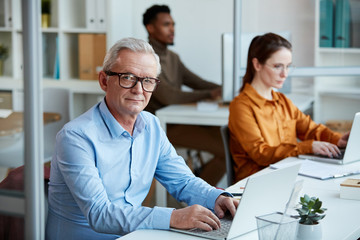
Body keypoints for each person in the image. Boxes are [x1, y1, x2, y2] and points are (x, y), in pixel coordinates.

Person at [45, 38, 238, 239]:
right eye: (128, 77)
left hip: (134, 234)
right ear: (104, 80)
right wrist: (173, 217)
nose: (139, 90)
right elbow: (100, 214)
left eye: (148, 81)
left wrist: (217, 197)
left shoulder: (151, 125)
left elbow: (182, 180)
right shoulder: (75, 137)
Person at [228, 32, 350, 182]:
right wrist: (309, 147)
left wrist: (338, 140)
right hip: (258, 182)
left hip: (287, 175)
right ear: (257, 64)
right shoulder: (241, 106)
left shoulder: (282, 100)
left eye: (288, 67)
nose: (284, 74)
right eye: (278, 66)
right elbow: (261, 154)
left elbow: (310, 129)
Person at [142, 5, 225, 185]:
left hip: (181, 121)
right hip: (162, 127)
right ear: (150, 28)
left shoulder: (173, 57)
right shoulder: (146, 58)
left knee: (230, 139)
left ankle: (198, 185)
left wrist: (227, 89)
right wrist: (209, 93)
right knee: (226, 150)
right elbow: (169, 97)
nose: (172, 29)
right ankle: (198, 196)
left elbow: (197, 82)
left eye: (173, 24)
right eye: (166, 24)